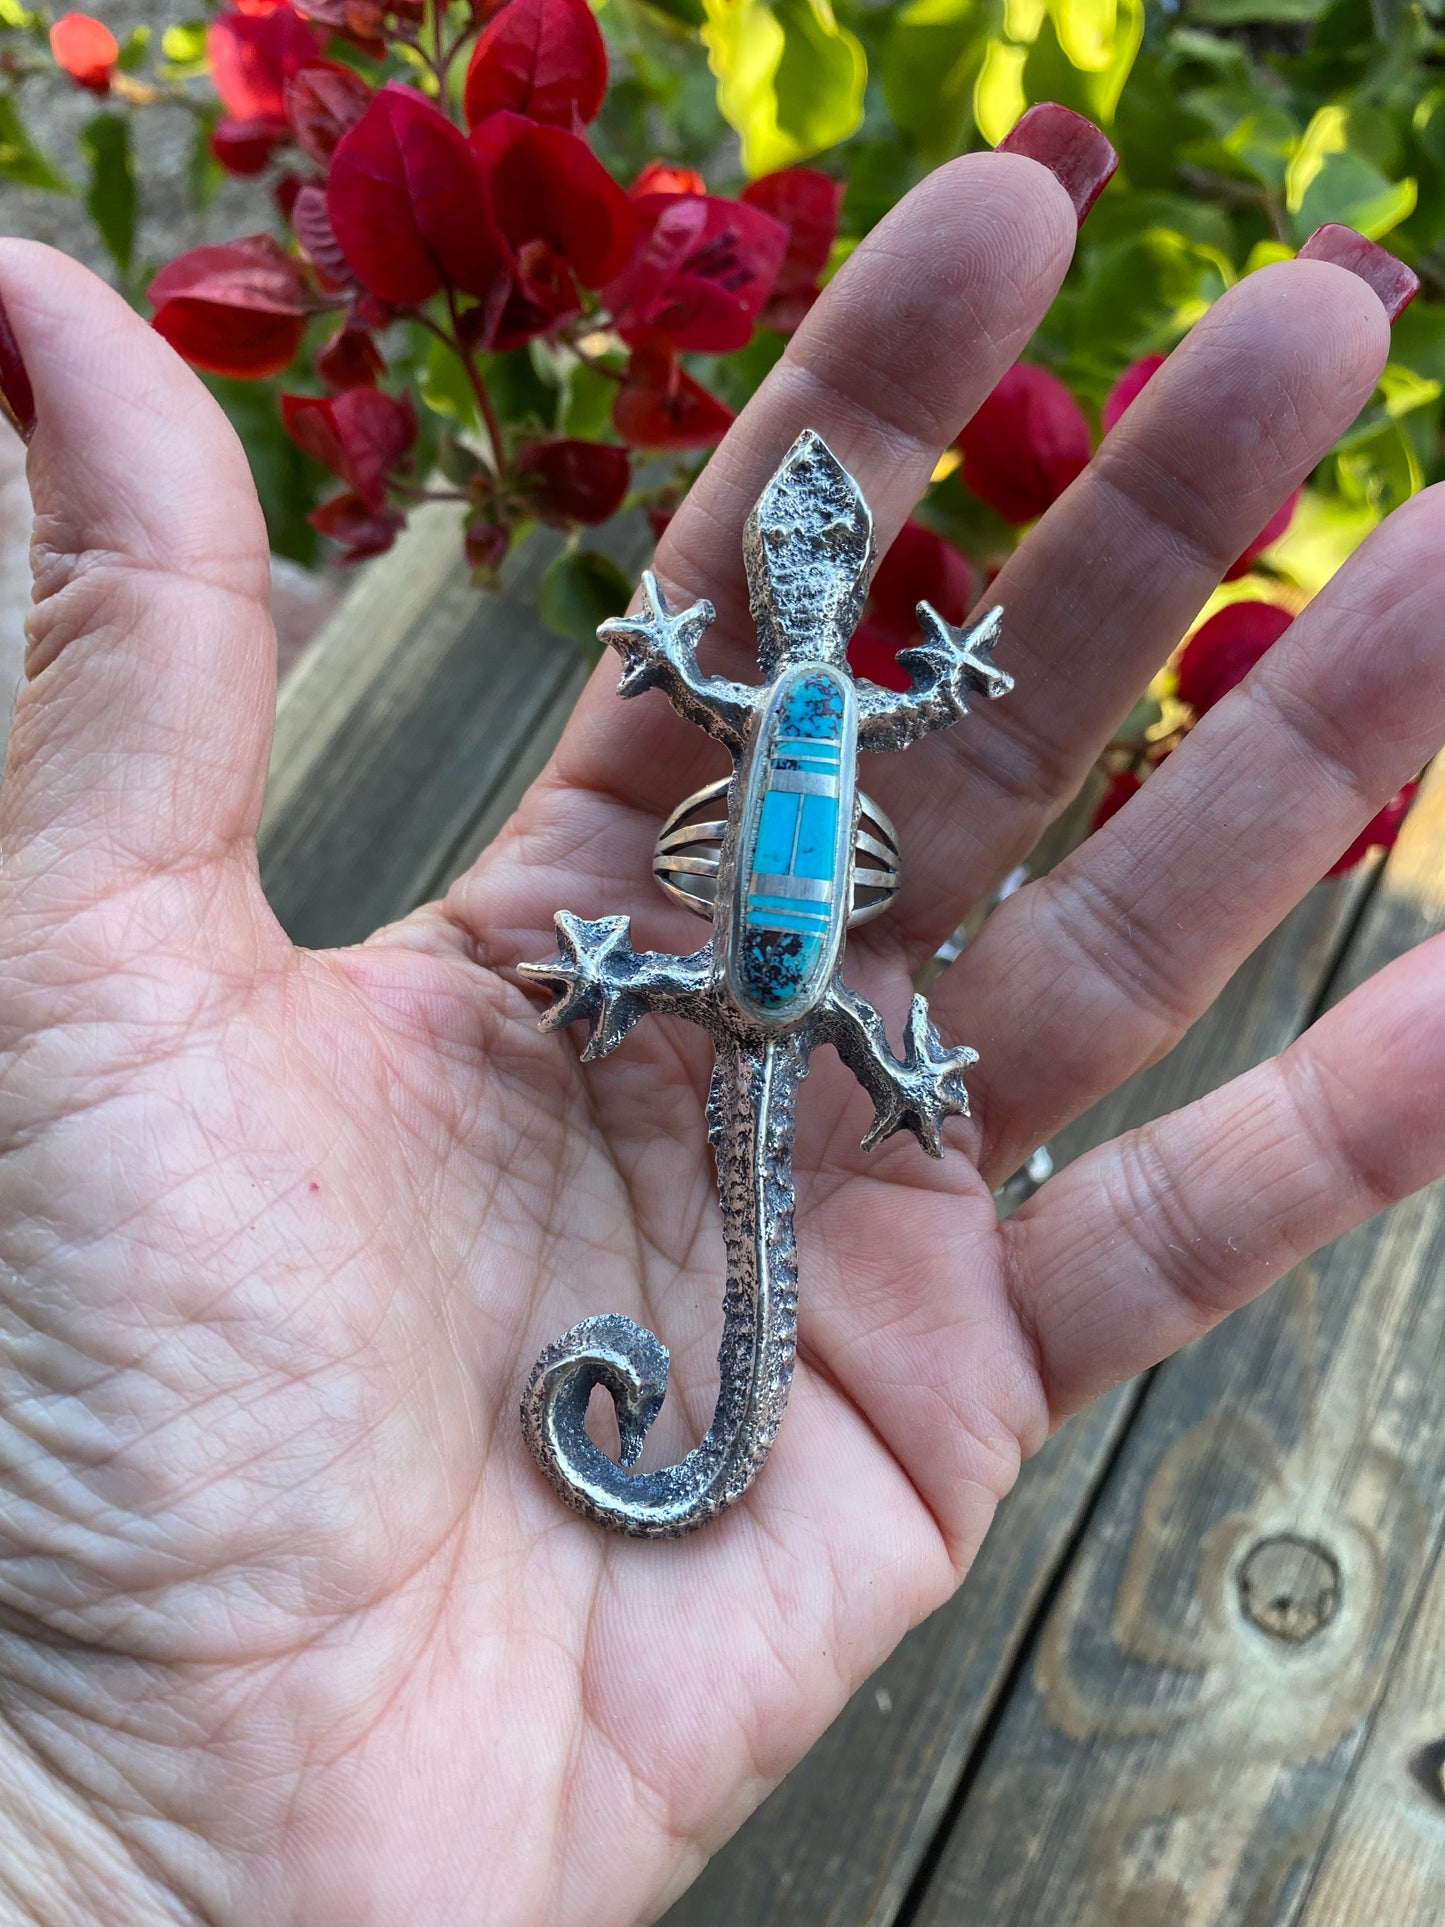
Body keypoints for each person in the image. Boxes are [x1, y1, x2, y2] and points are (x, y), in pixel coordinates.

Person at [0, 105, 1439, 1927]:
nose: (809, 556)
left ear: (808, 588)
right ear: (790, 583)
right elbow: (773, 687)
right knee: (770, 1023)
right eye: (797, 556)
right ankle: (695, 1341)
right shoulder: (783, 685)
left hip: (779, 994)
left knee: (782, 1044)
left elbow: (908, 715)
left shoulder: (826, 696)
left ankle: (710, 1379)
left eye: (807, 559)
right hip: (762, 989)